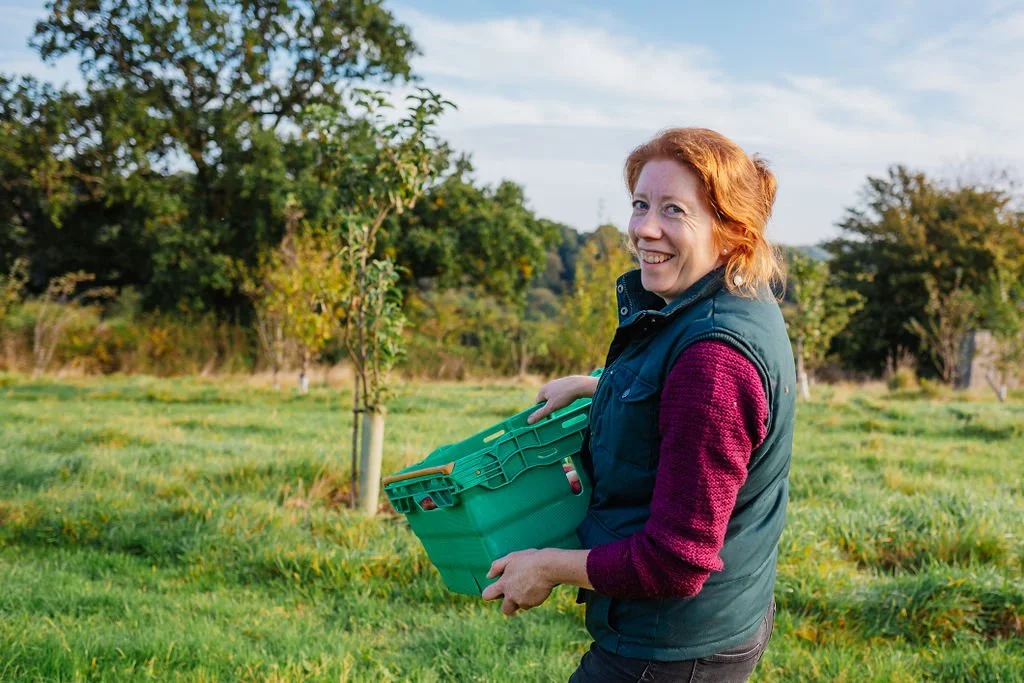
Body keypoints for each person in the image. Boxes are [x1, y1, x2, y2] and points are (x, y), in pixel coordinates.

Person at [481, 127, 796, 682]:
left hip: (670, 647)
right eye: (640, 204)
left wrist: (548, 568)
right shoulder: (732, 298)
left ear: (731, 231)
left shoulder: (714, 358)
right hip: (716, 621)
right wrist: (595, 384)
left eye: (674, 210)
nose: (644, 228)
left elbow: (676, 561)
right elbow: (677, 404)